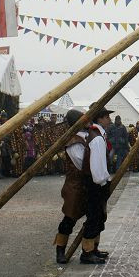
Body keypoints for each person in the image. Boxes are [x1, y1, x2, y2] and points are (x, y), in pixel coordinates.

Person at [53, 109, 89, 264]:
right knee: (70, 217)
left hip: (87, 183)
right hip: (75, 184)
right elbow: (82, 163)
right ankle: (60, 250)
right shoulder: (73, 141)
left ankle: (89, 249)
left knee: (94, 217)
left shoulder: (86, 137)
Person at [80, 107, 112, 265]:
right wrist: (102, 181)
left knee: (98, 216)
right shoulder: (97, 138)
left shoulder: (98, 135)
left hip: (96, 182)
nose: (109, 120)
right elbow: (97, 165)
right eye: (107, 117)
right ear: (100, 119)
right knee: (93, 217)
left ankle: (93, 249)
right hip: (95, 183)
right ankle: (87, 253)